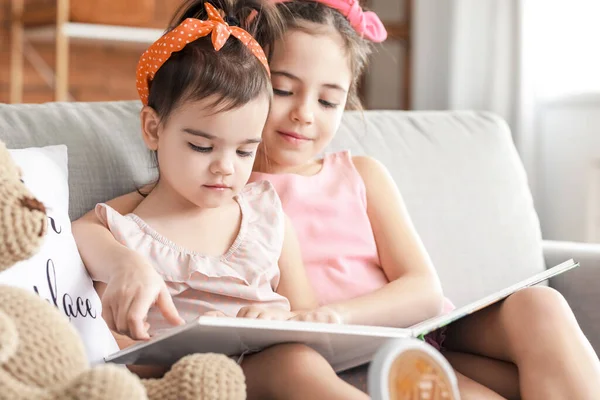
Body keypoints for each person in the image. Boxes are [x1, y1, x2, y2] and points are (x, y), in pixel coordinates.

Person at [73, 0, 459, 399]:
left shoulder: (265, 215)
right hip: (186, 377)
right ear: (154, 129)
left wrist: (277, 318)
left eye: (244, 152)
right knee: (294, 364)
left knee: (298, 361)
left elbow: (306, 319)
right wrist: (124, 266)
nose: (225, 168)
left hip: (279, 362)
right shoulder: (126, 227)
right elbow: (83, 240)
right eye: (202, 147)